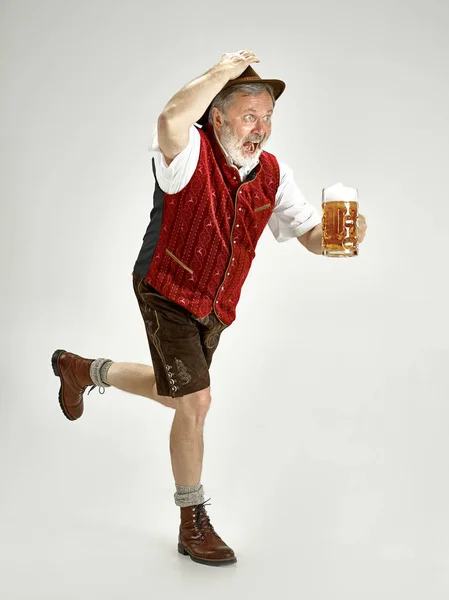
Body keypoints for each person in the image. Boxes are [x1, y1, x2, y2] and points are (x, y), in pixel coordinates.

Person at [51, 50, 367, 567]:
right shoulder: (187, 151)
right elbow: (170, 117)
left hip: (216, 306)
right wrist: (223, 70)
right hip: (166, 288)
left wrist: (337, 242)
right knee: (196, 403)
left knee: (176, 396)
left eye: (268, 118)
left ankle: (82, 369)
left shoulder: (272, 173)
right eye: (249, 116)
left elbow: (310, 234)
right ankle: (191, 520)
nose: (261, 129)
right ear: (217, 116)